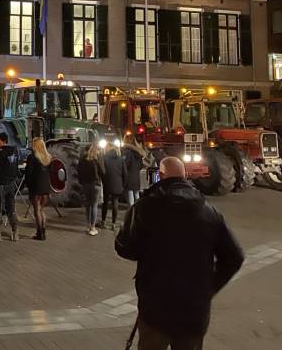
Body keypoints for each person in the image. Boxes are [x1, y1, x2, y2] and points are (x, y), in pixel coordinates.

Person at [115, 157, 244, 349]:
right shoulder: (209, 211)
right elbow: (234, 257)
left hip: (155, 308)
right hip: (193, 311)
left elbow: (125, 248)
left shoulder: (145, 208)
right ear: (185, 176)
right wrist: (209, 287)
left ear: (162, 176)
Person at [0, 132, 19, 242]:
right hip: (11, 184)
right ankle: (15, 233)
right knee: (11, 208)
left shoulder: (0, 154)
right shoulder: (14, 151)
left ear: (3, 141)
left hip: (0, 184)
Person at [25, 137, 51, 241]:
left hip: (36, 187)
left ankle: (39, 233)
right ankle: (43, 231)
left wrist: (28, 184)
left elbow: (29, 173)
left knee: (37, 210)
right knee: (41, 210)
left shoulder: (32, 157)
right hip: (45, 187)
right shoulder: (47, 158)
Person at [78, 142, 105, 235]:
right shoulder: (97, 159)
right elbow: (103, 172)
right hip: (96, 185)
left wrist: (81, 182)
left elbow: (79, 171)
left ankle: (88, 225)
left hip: (85, 184)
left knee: (88, 205)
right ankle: (93, 228)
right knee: (94, 205)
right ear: (97, 150)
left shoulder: (82, 159)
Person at [100, 144, 127, 229]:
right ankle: (113, 224)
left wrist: (104, 182)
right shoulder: (121, 160)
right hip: (118, 185)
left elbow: (102, 172)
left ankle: (103, 222)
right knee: (115, 203)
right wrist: (123, 185)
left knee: (105, 203)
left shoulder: (105, 158)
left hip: (107, 184)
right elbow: (125, 174)